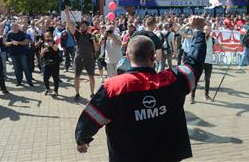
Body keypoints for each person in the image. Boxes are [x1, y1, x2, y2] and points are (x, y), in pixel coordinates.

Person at [75, 16, 206, 162]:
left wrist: (82, 138)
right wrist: (199, 31)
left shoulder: (113, 87)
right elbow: (194, 64)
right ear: (153, 56)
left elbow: (92, 116)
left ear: (128, 56)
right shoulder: (172, 80)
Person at [190, 25, 237, 104]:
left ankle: (206, 95)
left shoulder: (213, 39)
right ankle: (192, 97)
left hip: (209, 62)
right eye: (204, 30)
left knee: (207, 79)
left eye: (207, 30)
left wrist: (233, 49)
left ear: (210, 31)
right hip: (200, 61)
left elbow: (222, 48)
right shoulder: (199, 38)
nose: (206, 31)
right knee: (196, 80)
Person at [65, 8, 99, 101]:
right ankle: (77, 93)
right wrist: (67, 14)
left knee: (91, 77)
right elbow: (70, 25)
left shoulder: (92, 36)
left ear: (87, 27)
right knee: (76, 77)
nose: (82, 28)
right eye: (81, 26)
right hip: (78, 58)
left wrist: (94, 41)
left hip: (89, 59)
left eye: (84, 26)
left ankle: (92, 93)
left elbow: (96, 49)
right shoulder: (77, 34)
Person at [5, 22, 34, 87]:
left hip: (22, 53)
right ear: (11, 27)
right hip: (13, 54)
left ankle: (29, 81)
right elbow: (6, 44)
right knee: (16, 68)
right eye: (13, 26)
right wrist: (12, 43)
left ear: (18, 27)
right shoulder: (9, 33)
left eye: (15, 26)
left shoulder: (22, 33)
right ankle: (19, 81)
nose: (14, 27)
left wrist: (18, 42)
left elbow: (26, 42)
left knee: (25, 67)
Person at [40, 32, 61, 96]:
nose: (48, 38)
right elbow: (41, 55)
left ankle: (56, 91)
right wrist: (43, 51)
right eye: (46, 36)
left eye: (49, 36)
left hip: (55, 63)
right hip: (47, 63)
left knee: (55, 78)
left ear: (51, 37)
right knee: (45, 77)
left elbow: (56, 50)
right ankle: (47, 88)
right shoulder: (43, 44)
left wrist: (51, 45)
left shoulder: (55, 43)